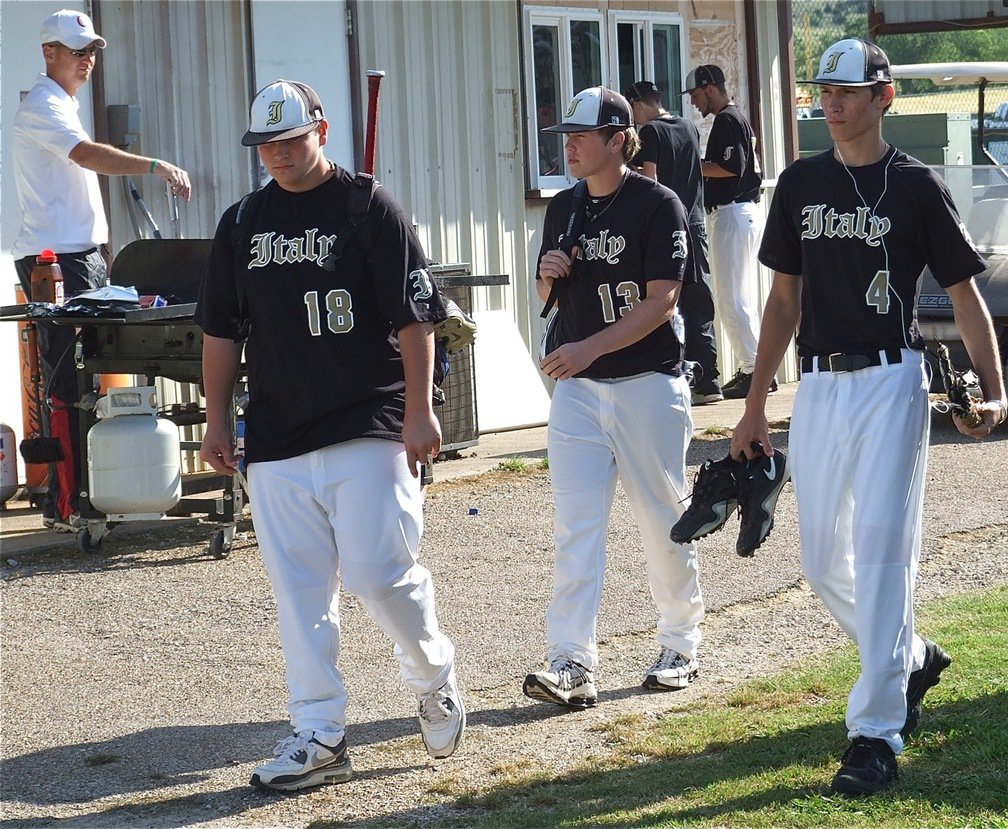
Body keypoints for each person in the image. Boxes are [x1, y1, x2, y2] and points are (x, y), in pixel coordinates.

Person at [730, 38, 1007, 796]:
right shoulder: (800, 182)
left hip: (893, 381)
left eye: (848, 91)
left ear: (884, 97)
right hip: (818, 386)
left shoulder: (916, 187)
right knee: (822, 562)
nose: (832, 102)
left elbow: (963, 294)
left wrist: (995, 385)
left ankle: (875, 734)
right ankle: (909, 656)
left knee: (885, 554)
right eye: (824, 90)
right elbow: (783, 300)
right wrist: (755, 404)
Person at [196, 79, 464, 791]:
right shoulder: (243, 223)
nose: (279, 155)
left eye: (290, 139)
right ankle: (319, 728)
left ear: (321, 130)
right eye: (266, 145)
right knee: (300, 590)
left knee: (381, 573)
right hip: (279, 431)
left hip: (368, 417)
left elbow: (416, 317)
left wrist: (419, 409)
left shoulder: (366, 205)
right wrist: (218, 418)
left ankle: (433, 672)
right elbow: (222, 331)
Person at [522, 87, 705, 708]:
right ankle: (571, 662)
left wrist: (588, 350)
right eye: (565, 136)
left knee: (662, 518)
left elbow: (662, 303)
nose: (569, 144)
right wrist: (549, 277)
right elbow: (552, 302)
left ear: (619, 139)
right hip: (579, 389)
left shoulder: (659, 205)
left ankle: (680, 640)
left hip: (647, 383)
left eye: (581, 135)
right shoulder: (566, 206)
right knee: (576, 529)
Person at [12, 8, 192, 532]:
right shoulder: (43, 106)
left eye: (91, 51)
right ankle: (70, 501)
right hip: (57, 258)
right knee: (69, 372)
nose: (87, 60)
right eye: (77, 51)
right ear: (49, 54)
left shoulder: (61, 104)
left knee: (91, 366)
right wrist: (153, 165)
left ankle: (94, 490)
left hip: (82, 253)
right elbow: (88, 155)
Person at [626, 80, 722, 405]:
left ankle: (682, 374)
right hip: (695, 222)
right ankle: (710, 378)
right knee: (700, 300)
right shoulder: (688, 126)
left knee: (667, 302)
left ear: (639, 105)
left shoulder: (651, 132)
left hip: (668, 226)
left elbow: (650, 180)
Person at [685, 64, 774, 401]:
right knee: (740, 297)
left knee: (730, 299)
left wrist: (689, 163)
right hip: (744, 212)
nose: (694, 103)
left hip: (734, 212)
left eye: (695, 95)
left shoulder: (726, 119)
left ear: (710, 88)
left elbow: (728, 168)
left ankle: (755, 370)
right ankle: (756, 368)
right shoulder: (736, 117)